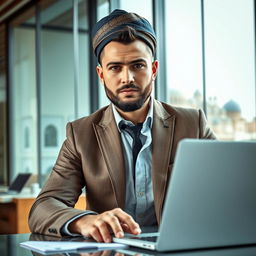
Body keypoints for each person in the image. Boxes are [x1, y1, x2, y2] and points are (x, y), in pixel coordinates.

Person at [29, 9, 216, 243]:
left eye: (138, 65)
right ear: (101, 74)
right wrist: (84, 221)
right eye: (115, 67)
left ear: (154, 69)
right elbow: (43, 206)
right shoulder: (80, 134)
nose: (127, 78)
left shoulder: (193, 124)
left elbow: (226, 192)